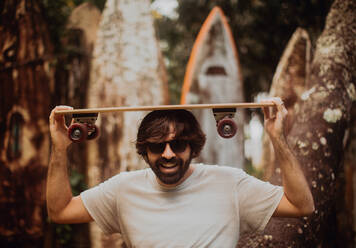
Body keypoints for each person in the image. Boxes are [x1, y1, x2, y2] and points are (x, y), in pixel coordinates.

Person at [47, 98, 314, 247]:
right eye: (156, 146)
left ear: (193, 146)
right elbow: (60, 212)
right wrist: (59, 149)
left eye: (177, 144)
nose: (168, 154)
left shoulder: (229, 183)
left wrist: (277, 138)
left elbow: (301, 205)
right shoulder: (123, 189)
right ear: (144, 150)